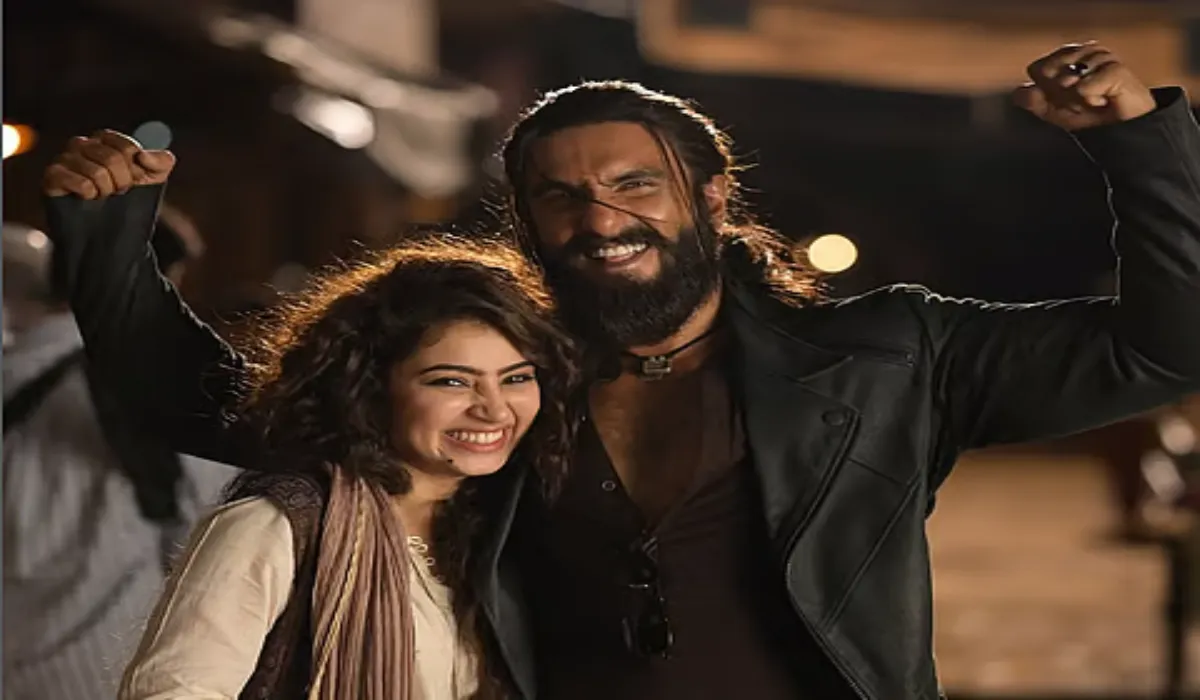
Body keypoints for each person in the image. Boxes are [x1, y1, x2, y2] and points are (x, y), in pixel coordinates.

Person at [43, 42, 1200, 699]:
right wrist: (110, 237)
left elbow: (1166, 345)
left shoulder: (889, 356)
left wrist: (1136, 144)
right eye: (563, 196)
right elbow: (202, 403)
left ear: (711, 196)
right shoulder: (508, 380)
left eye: (635, 185)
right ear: (527, 222)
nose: (601, 217)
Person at [115, 236, 578, 699]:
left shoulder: (493, 534)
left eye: (516, 378)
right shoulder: (278, 524)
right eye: (452, 382)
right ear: (370, 387)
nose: (494, 410)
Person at [2, 206, 235, 700]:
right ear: (163, 285)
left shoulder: (14, 375)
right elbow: (214, 526)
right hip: (106, 674)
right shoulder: (171, 394)